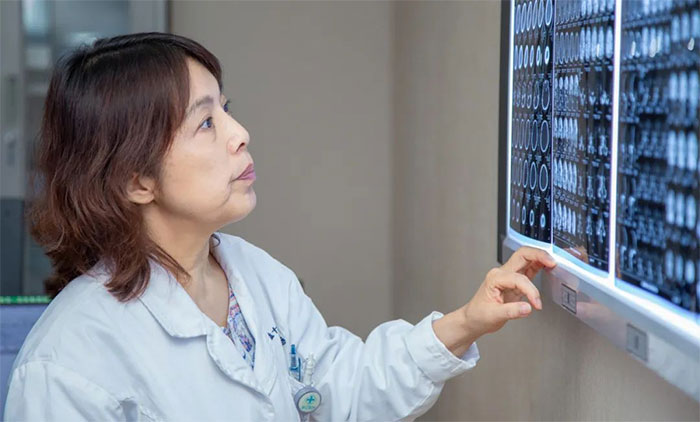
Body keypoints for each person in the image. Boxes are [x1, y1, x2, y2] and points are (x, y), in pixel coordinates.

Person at [3, 32, 555, 421]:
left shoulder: (255, 276)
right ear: (136, 180)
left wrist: (466, 322)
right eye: (206, 122)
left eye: (227, 108)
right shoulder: (67, 364)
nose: (239, 132)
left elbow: (337, 391)